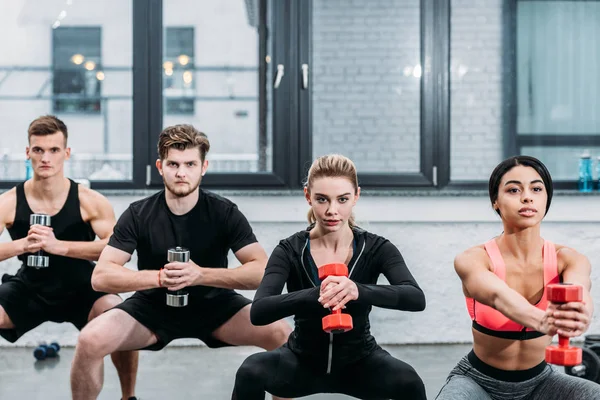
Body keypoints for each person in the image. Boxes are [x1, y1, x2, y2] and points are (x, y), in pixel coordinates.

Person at [70, 124, 292, 399]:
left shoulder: (224, 213)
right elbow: (101, 276)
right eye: (173, 164)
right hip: (152, 308)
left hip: (216, 307)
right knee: (89, 340)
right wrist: (160, 278)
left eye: (190, 164)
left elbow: (262, 271)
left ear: (204, 167)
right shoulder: (139, 214)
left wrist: (200, 276)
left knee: (283, 335)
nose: (181, 172)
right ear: (160, 166)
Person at [232, 154, 427, 400]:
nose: (332, 211)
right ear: (308, 196)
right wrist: (315, 294)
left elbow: (415, 297)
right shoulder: (290, 249)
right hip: (301, 363)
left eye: (342, 199)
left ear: (356, 196)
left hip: (360, 362)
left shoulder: (377, 248)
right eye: (322, 199)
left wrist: (358, 290)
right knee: (250, 371)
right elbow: (259, 311)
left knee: (409, 381)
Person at [436, 155, 600, 400]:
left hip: (541, 381)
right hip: (477, 381)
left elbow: (578, 288)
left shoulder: (569, 258)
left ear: (546, 199)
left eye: (536, 188)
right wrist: (543, 320)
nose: (527, 196)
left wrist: (581, 313)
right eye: (513, 189)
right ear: (495, 201)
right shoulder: (474, 258)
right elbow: (496, 295)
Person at [0, 115, 139, 400]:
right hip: (30, 286)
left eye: (53, 150)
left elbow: (116, 248)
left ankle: (128, 397)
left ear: (67, 153)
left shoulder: (90, 200)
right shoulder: (9, 202)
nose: (45, 158)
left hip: (81, 286)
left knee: (121, 317)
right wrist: (24, 245)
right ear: (28, 153)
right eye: (38, 150)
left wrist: (59, 246)